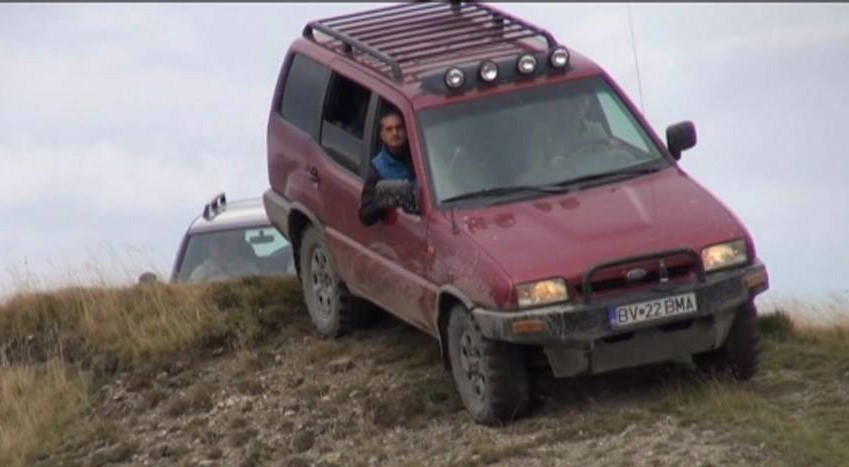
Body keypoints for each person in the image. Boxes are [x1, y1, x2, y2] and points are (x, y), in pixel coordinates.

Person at [358, 109, 415, 226]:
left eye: (399, 127)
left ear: (407, 130)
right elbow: (365, 215)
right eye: (389, 129)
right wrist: (385, 202)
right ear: (382, 135)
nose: (395, 133)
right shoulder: (378, 169)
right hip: (401, 230)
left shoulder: (421, 156)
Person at [187, 231, 261, 283]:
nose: (219, 246)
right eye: (215, 243)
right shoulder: (200, 273)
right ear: (209, 246)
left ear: (232, 245)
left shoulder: (248, 269)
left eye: (223, 242)